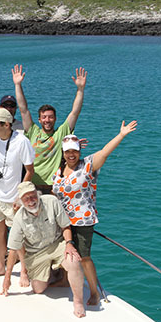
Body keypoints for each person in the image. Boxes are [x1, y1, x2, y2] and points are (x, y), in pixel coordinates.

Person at [52, 120, 137, 305]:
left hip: (83, 220)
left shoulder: (88, 165)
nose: (71, 155)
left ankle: (94, 291)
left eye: (74, 151)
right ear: (63, 153)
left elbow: (105, 152)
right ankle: (65, 280)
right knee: (67, 254)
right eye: (68, 151)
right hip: (64, 221)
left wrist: (121, 135)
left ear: (79, 151)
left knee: (83, 257)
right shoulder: (58, 171)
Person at [2, 181, 86, 318]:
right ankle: (54, 272)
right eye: (26, 198)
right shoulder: (19, 218)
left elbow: (65, 226)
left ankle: (78, 302)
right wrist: (7, 278)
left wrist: (69, 244)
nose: (31, 201)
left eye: (33, 196)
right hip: (36, 253)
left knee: (73, 260)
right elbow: (13, 249)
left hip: (57, 244)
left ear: (38, 194)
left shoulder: (51, 201)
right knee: (38, 289)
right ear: (21, 202)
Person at [13, 64, 87, 193]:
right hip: (32, 186)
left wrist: (80, 89)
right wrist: (18, 85)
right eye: (44, 117)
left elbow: (75, 112)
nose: (47, 120)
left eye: (51, 117)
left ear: (55, 119)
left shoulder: (61, 133)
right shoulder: (32, 131)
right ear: (39, 120)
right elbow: (23, 109)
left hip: (54, 186)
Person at [0, 108, 35, 280]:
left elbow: (29, 170)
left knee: (18, 234)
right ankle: (0, 266)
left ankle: (24, 271)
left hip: (14, 198)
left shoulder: (22, 142)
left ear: (6, 124)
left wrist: (20, 196)